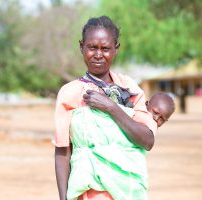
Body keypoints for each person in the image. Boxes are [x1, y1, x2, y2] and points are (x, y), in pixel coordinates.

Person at [54, 16, 157, 200]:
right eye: (92, 47)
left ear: (116, 48)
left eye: (105, 48)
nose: (98, 54)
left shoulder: (130, 89)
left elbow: (147, 140)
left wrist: (111, 107)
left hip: (128, 191)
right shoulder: (69, 93)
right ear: (81, 47)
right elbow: (62, 151)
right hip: (88, 192)